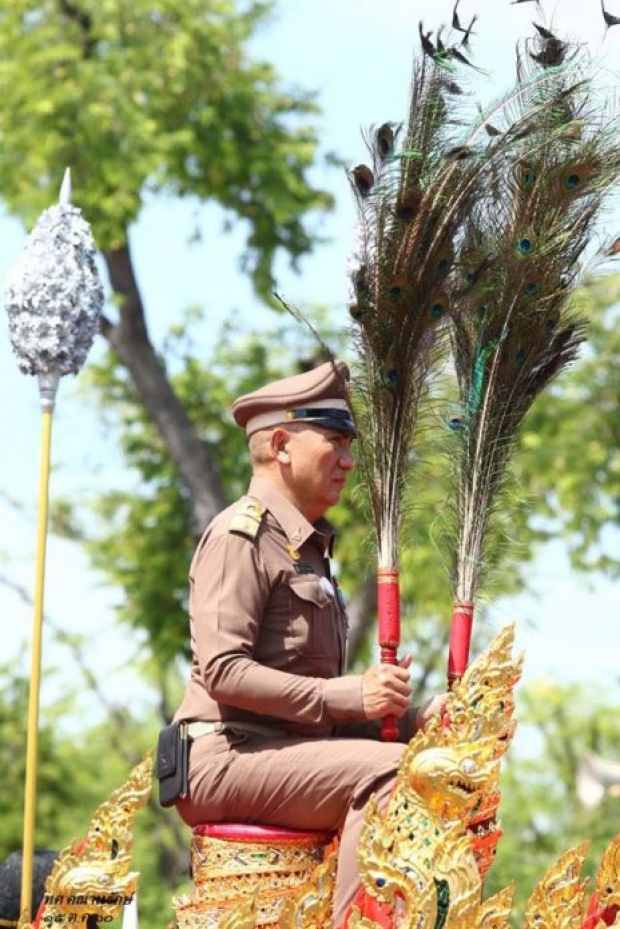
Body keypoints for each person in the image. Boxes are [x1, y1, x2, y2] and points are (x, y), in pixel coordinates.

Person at [173, 359, 446, 925]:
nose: (348, 460)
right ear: (281, 444)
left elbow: (318, 716)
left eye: (351, 444)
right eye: (335, 441)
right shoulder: (238, 535)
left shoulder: (308, 549)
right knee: (390, 773)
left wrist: (418, 718)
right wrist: (353, 695)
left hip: (274, 752)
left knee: (430, 761)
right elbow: (223, 671)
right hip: (223, 755)